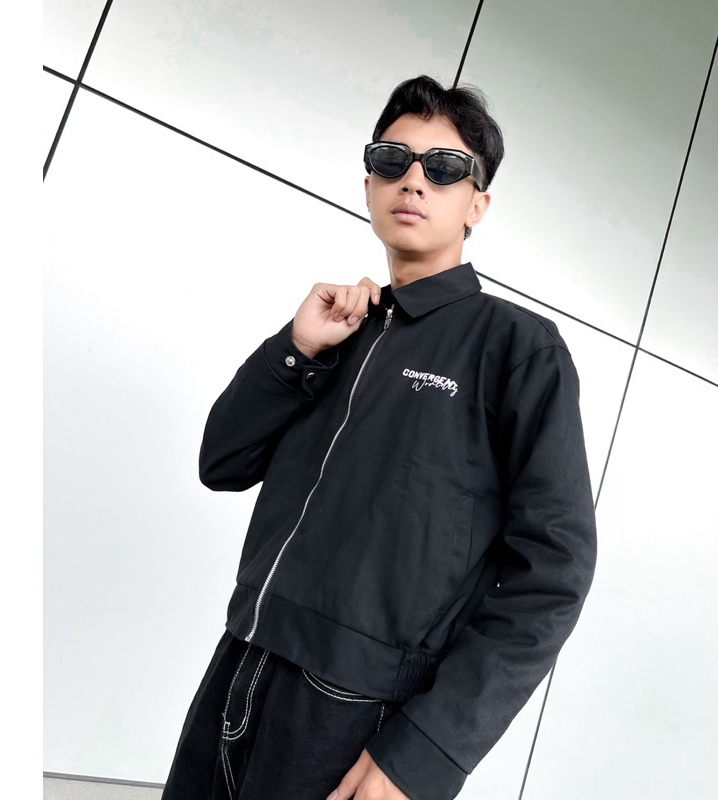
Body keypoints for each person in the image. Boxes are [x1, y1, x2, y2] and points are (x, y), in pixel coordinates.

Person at [161, 75, 597, 800]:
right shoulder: (340, 330)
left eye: (445, 168)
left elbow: (552, 575)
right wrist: (298, 348)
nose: (414, 181)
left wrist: (425, 752)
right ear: (369, 185)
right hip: (240, 664)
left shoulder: (517, 349)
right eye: (392, 160)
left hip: (351, 713)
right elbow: (222, 461)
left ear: (477, 205)